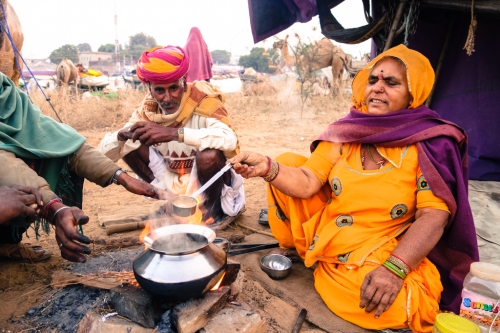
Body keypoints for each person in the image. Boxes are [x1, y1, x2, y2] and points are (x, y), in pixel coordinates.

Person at [229, 45, 478, 332]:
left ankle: (324, 263)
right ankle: (323, 258)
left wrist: (394, 269)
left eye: (391, 82)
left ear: (414, 92)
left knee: (401, 304)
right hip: (334, 229)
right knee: (286, 162)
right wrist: (267, 167)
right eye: (373, 80)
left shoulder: (430, 142)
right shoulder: (348, 130)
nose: (378, 88)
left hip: (381, 244)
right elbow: (308, 180)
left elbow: (434, 216)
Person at [0, 71, 163, 263]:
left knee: (47, 156)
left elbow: (61, 142)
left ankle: (6, 243)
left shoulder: (8, 94)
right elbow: (5, 163)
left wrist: (122, 177)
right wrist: (56, 209)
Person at [98, 45, 244, 223]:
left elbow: (229, 140)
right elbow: (101, 157)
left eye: (174, 88)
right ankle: (172, 204)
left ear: (183, 82)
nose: (167, 98)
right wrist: (121, 136)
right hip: (172, 183)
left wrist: (175, 134)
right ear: (149, 88)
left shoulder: (203, 100)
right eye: (159, 91)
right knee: (130, 141)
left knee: (209, 155)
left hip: (211, 186)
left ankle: (210, 213)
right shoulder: (147, 111)